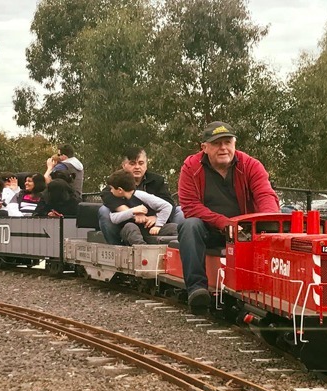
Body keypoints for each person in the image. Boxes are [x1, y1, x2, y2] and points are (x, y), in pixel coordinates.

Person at [178, 121, 279, 311]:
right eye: (217, 143)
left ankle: (269, 285)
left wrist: (267, 221)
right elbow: (190, 207)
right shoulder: (190, 167)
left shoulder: (251, 165)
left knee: (275, 227)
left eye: (227, 142)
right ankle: (197, 289)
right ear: (204, 147)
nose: (223, 148)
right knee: (189, 225)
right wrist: (226, 224)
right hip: (209, 230)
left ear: (234, 144)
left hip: (244, 231)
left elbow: (265, 195)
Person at [99, 146, 183, 245]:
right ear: (124, 165)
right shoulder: (117, 182)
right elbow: (107, 195)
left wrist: (156, 218)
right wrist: (134, 213)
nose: (137, 167)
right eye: (132, 163)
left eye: (141, 163)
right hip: (127, 225)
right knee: (104, 210)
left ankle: (178, 246)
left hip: (154, 224)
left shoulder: (157, 180)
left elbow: (168, 203)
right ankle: (118, 246)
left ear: (146, 165)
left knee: (180, 211)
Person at [104, 170, 177, 245]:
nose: (111, 191)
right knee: (130, 227)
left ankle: (176, 247)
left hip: (150, 229)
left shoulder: (141, 195)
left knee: (174, 227)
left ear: (120, 190)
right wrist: (133, 211)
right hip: (131, 232)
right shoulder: (118, 200)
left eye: (112, 188)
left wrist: (158, 225)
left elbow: (167, 206)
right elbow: (114, 218)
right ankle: (141, 248)